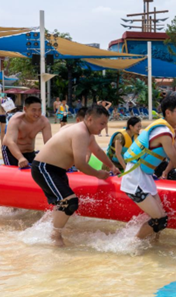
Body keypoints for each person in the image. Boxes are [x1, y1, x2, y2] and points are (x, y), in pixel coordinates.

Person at [31, 105, 119, 246]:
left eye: (105, 124)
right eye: (102, 123)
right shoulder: (80, 132)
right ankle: (55, 235)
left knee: (60, 203)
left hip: (57, 170)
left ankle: (42, 229)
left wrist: (111, 166)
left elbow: (97, 150)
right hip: (44, 168)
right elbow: (80, 164)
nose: (104, 127)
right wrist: (98, 174)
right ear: (90, 119)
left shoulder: (86, 132)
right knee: (69, 202)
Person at [120, 95, 176, 240]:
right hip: (135, 178)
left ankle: (153, 247)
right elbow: (175, 159)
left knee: (162, 219)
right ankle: (132, 245)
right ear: (168, 113)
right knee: (159, 219)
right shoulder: (163, 133)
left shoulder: (167, 131)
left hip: (145, 177)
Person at [2, 96, 52, 168]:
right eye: (34, 110)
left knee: (32, 175)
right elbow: (11, 142)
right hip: (11, 151)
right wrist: (20, 158)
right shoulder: (16, 120)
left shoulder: (44, 122)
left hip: (30, 152)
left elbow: (49, 143)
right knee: (14, 175)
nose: (37, 113)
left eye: (39, 110)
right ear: (25, 109)